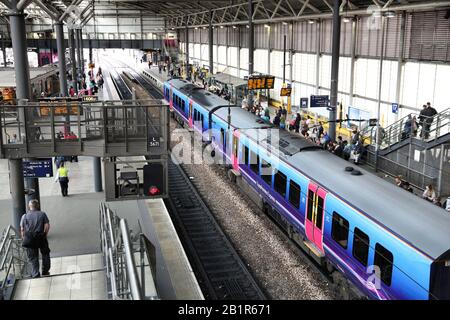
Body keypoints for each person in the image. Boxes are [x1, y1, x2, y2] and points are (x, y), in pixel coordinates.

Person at [20, 199, 51, 278]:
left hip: (29, 239)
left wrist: (24, 238)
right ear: (38, 206)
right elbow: (47, 226)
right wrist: (44, 234)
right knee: (45, 253)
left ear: (29, 206)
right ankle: (45, 270)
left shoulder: (24, 216)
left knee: (33, 257)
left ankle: (35, 274)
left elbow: (22, 229)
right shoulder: (42, 214)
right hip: (41, 237)